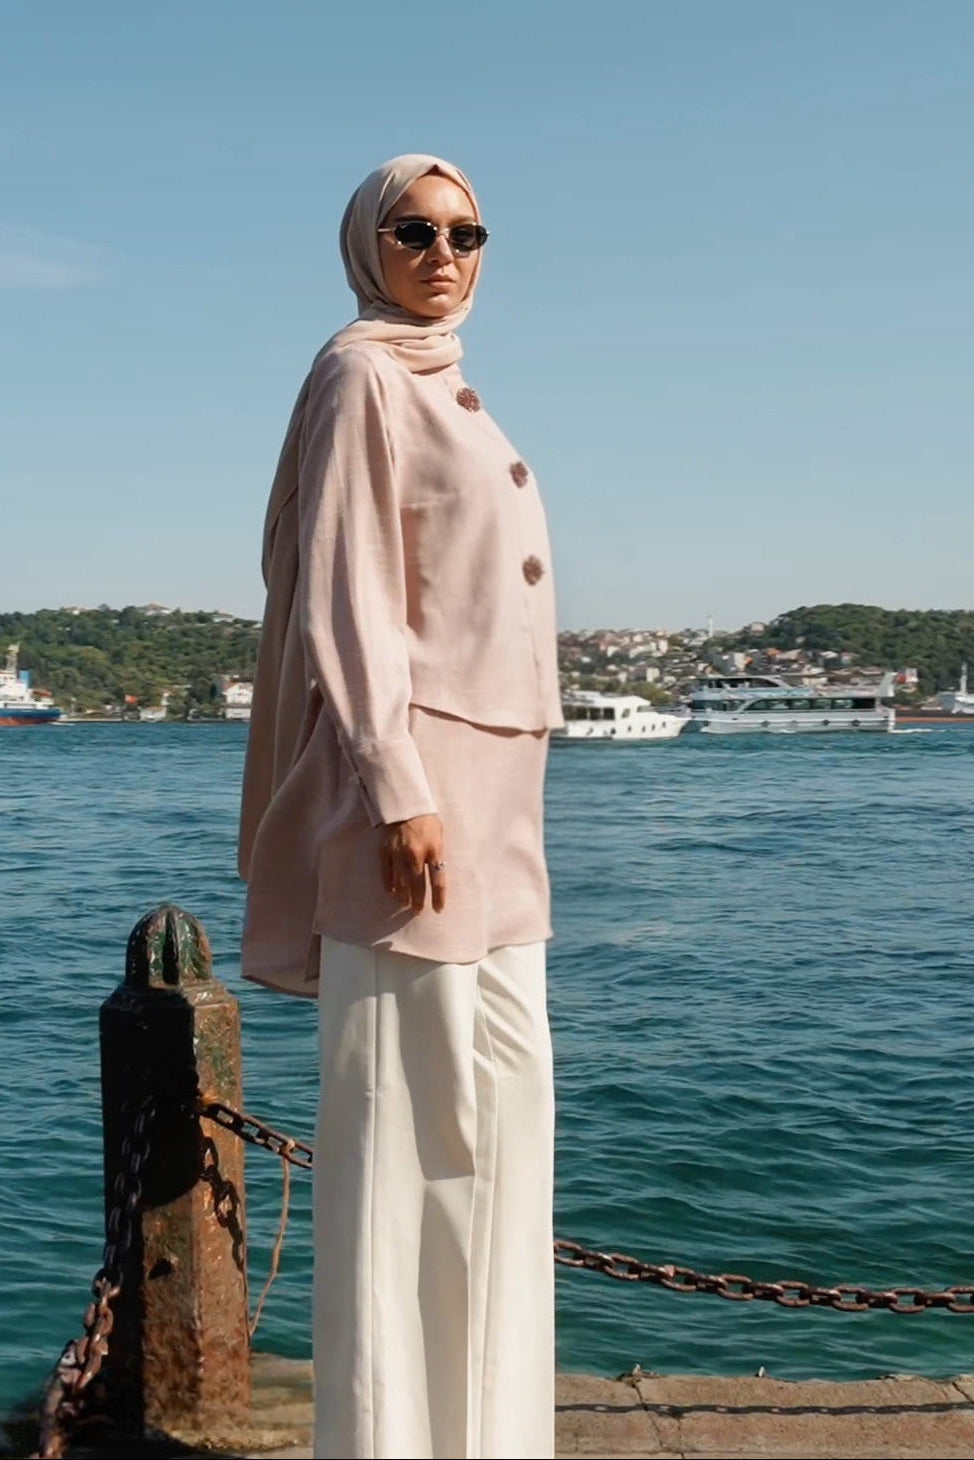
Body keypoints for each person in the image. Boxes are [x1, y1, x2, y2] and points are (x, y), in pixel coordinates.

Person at [238, 154, 563, 1460]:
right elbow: (346, 589)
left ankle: (491, 1438)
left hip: (500, 803)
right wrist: (395, 784)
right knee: (403, 1145)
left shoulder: (444, 380)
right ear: (364, 245)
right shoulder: (361, 372)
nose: (442, 249)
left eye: (465, 228)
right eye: (411, 229)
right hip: (413, 804)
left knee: (495, 1131)